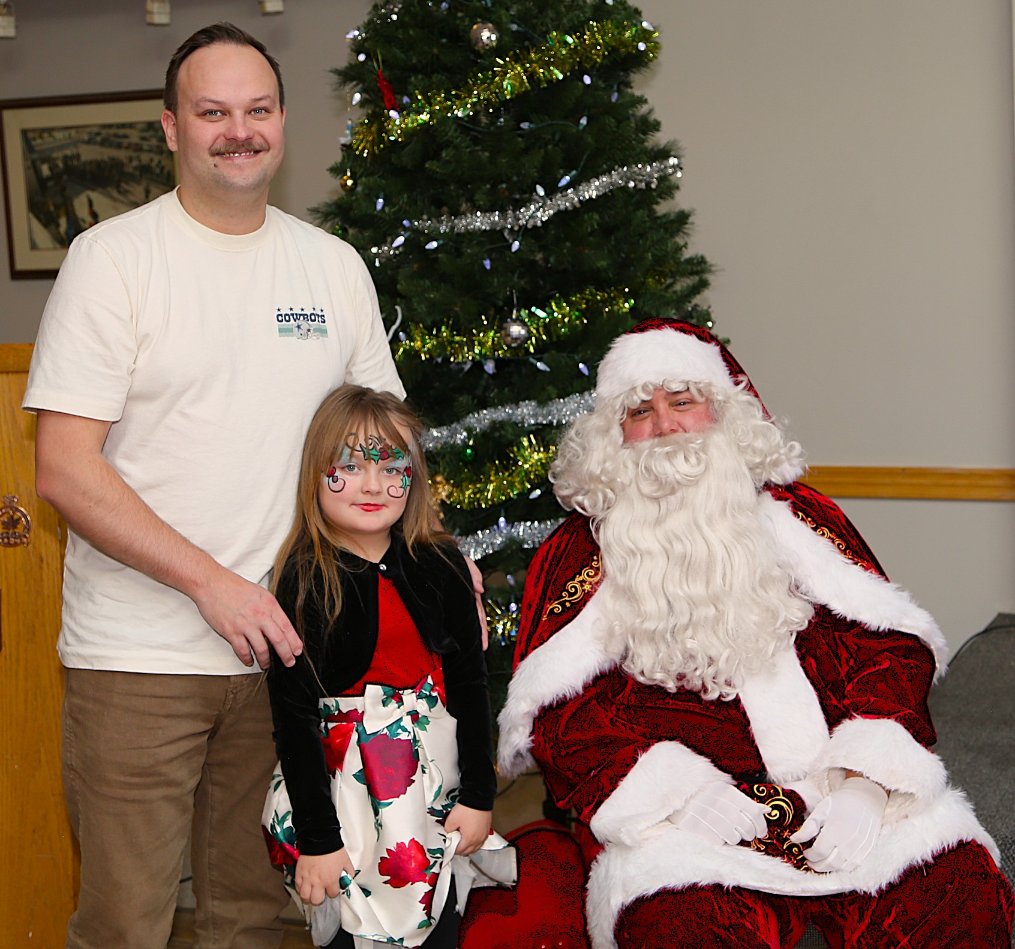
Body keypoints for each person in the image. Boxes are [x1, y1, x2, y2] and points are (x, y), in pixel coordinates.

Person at [24, 22, 405, 948]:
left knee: (252, 917)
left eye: (257, 109)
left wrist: (429, 559)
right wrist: (212, 583)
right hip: (139, 659)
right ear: (171, 128)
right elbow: (64, 465)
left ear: (282, 122)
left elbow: (381, 444)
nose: (239, 131)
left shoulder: (332, 266)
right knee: (125, 922)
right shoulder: (113, 259)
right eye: (212, 112)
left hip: (289, 651)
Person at [496, 319, 1014, 948]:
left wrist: (868, 780)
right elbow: (561, 715)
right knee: (678, 930)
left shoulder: (802, 517)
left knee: (958, 892)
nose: (664, 426)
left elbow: (887, 648)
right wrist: (673, 796)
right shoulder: (578, 555)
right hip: (687, 834)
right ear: (613, 435)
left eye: (682, 401)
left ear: (724, 412)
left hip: (835, 792)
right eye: (640, 411)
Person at [261, 385, 505, 947]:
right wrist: (319, 841)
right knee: (354, 927)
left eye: (391, 468)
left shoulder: (441, 563)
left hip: (434, 790)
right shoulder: (304, 576)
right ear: (316, 474)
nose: (373, 485)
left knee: (440, 923)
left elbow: (472, 686)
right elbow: (293, 718)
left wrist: (479, 795)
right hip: (341, 799)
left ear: (411, 477)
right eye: (349, 467)